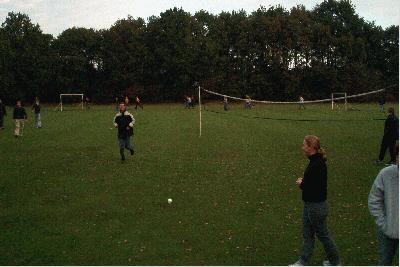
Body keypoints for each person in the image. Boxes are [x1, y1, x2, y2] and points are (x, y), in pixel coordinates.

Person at [291, 135, 340, 266]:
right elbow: (313, 183)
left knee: (323, 235)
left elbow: (312, 188)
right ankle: (303, 261)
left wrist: (302, 183)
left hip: (316, 207)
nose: (302, 147)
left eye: (304, 145)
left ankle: (335, 262)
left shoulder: (317, 164)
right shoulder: (315, 161)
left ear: (311, 147)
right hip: (309, 205)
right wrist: (305, 182)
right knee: (307, 234)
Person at [368, 144, 398, 266]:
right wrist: (383, 224)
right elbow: (374, 200)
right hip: (388, 232)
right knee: (385, 262)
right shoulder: (386, 174)